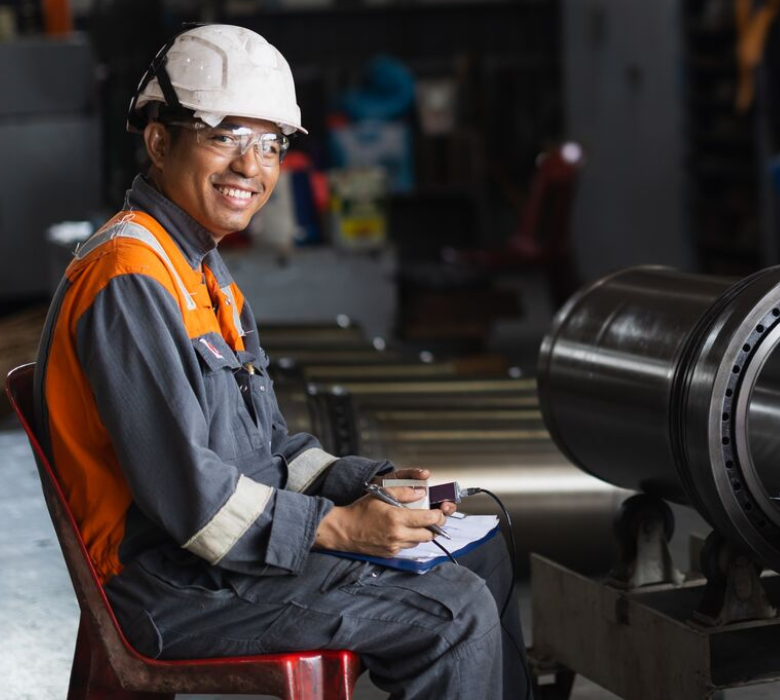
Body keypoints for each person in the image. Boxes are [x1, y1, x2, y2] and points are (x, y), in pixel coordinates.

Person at [34, 24, 532, 699]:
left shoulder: (203, 274)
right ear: (159, 142)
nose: (252, 167)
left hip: (218, 563)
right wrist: (340, 527)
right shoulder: (129, 277)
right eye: (226, 137)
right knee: (454, 615)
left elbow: (268, 452)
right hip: (171, 587)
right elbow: (195, 502)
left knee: (485, 551)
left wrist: (366, 483)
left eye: (270, 145)